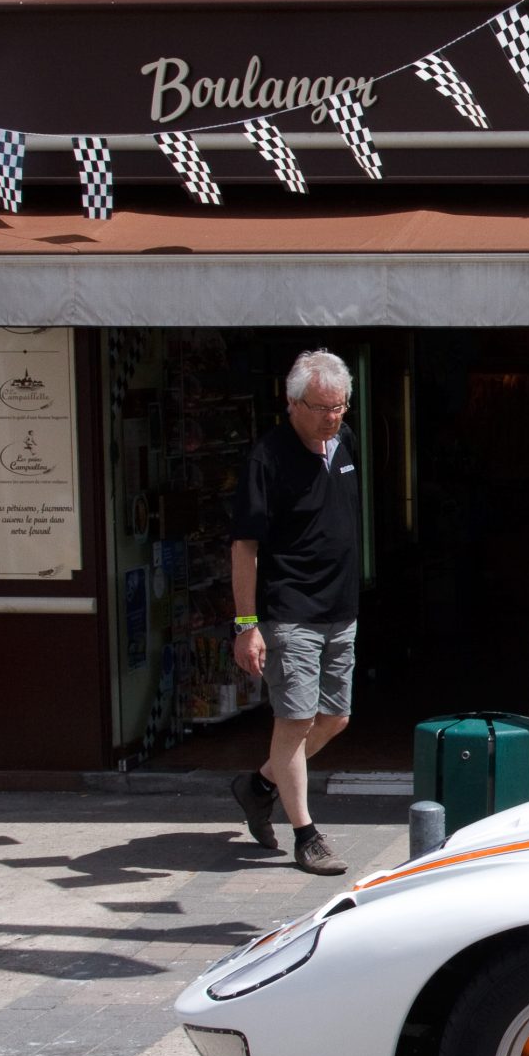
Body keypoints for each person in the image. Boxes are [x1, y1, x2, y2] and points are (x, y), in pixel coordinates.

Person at [227, 349, 361, 876]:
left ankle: (259, 786)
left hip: (341, 608)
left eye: (341, 406)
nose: (333, 417)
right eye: (323, 407)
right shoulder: (267, 458)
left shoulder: (344, 442)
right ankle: (306, 834)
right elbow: (245, 547)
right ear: (293, 404)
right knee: (295, 720)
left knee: (335, 718)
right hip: (291, 611)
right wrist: (246, 625)